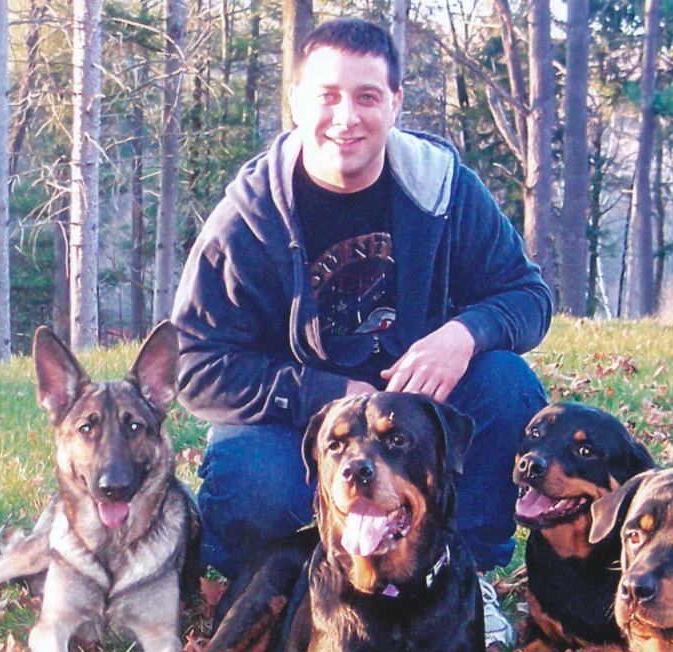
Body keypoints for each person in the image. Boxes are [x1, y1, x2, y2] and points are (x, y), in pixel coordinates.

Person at [171, 17, 551, 597]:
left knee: (505, 384)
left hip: (414, 424)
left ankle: (461, 579)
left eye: (367, 96)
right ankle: (284, 588)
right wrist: (330, 396)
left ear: (395, 103)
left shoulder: (441, 187)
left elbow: (528, 295)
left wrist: (464, 334)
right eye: (327, 96)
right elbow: (194, 364)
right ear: (297, 101)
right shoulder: (250, 217)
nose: (346, 117)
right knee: (248, 477)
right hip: (304, 430)